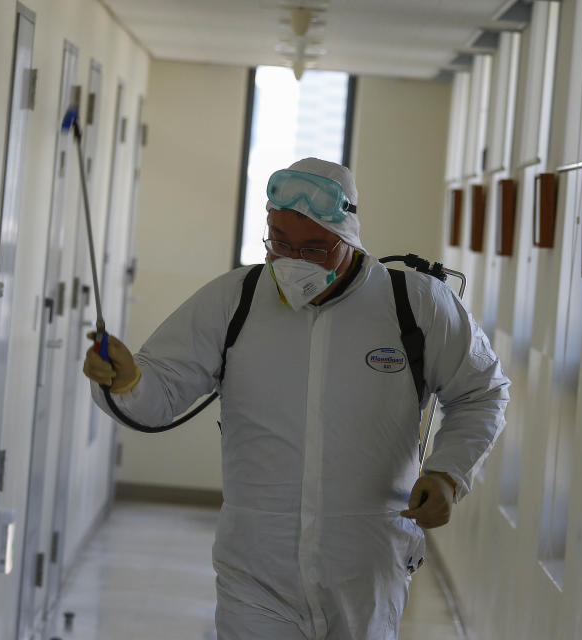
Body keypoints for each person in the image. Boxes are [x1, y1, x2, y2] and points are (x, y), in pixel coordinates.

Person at [83, 157, 510, 639]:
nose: (295, 261)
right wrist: (124, 381)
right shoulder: (235, 300)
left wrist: (448, 473)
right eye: (280, 243)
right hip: (256, 567)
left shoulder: (415, 304)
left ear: (349, 237)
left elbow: (483, 392)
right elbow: (160, 390)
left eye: (316, 248)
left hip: (367, 564)